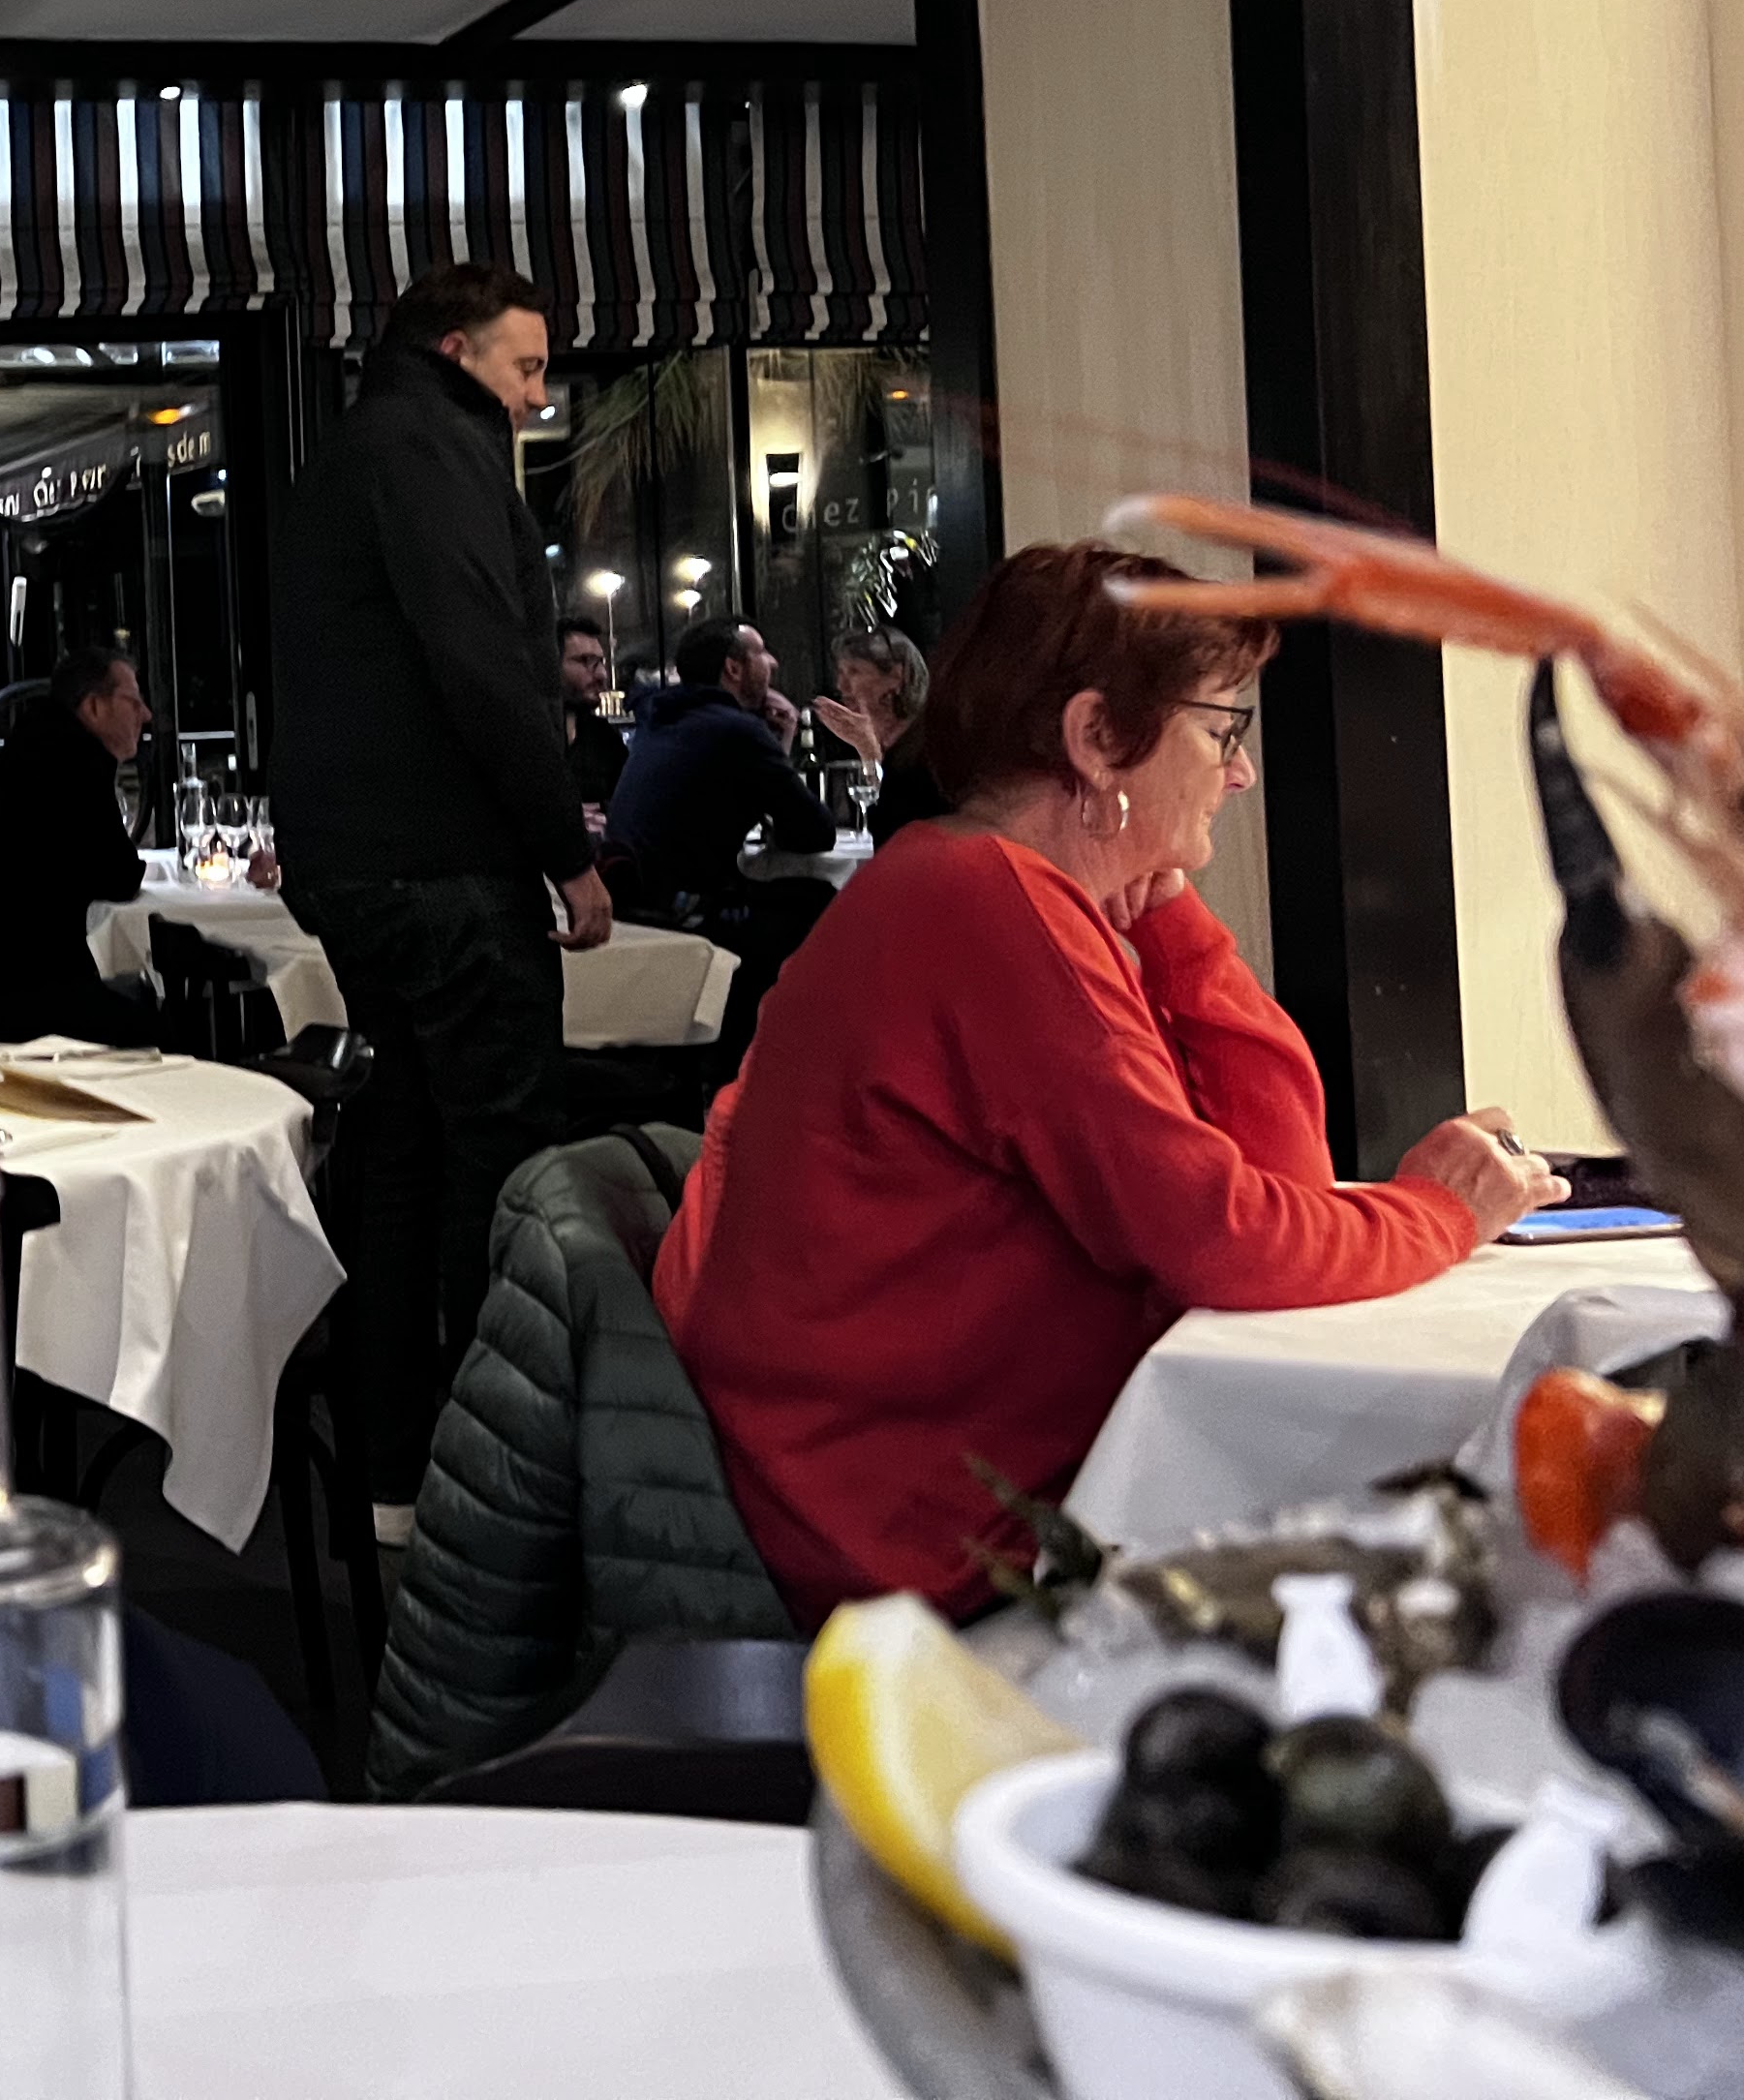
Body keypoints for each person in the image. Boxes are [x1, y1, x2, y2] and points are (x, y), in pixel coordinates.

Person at [655, 542, 1561, 1625]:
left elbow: (1284, 1181)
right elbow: (1228, 1244)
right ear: (1095, 739)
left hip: (894, 1499)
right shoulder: (987, 909)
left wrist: (1174, 925)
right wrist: (1442, 1212)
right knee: (1468, 1588)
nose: (1241, 772)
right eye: (1222, 730)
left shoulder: (976, 885)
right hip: (926, 1551)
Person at [271, 260, 612, 1547]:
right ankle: (493, 1485)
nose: (537, 397)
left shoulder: (350, 452)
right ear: (458, 351)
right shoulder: (433, 450)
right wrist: (563, 848)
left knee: (402, 1156)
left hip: (356, 868)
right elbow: (479, 661)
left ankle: (393, 1473)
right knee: (500, 1162)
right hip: (448, 866)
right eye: (526, 368)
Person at [0, 646, 162, 1048]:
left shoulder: (37, 743)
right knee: (159, 1036)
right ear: (94, 707)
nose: (146, 714)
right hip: (20, 994)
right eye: (133, 701)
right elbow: (119, 875)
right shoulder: (72, 758)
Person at [606, 617, 830, 909]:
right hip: (685, 909)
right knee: (822, 899)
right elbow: (817, 832)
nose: (773, 662)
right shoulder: (736, 730)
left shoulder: (663, 719)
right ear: (733, 668)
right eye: (762, 652)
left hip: (631, 902)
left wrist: (780, 737)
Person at [813, 625, 942, 842]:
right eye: (841, 673)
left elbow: (894, 820)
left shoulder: (926, 739)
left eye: (854, 672)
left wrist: (867, 748)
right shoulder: (849, 734)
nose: (841, 685)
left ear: (896, 677)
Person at [556, 614, 627, 827]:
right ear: (549, 664)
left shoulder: (603, 736)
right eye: (585, 661)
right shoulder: (523, 736)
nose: (602, 675)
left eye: (600, 662)